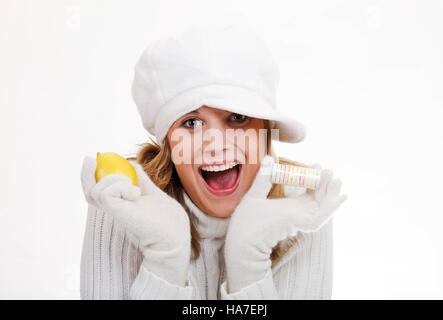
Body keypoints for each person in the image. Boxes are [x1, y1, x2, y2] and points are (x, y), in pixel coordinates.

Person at [79, 23, 347, 300]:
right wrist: (164, 261)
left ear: (266, 132)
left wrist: (249, 267)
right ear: (168, 143)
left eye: (238, 117)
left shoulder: (303, 208)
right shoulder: (125, 201)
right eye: (191, 122)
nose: (217, 144)